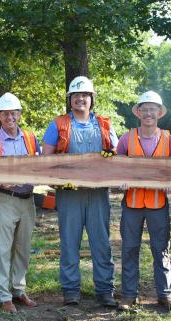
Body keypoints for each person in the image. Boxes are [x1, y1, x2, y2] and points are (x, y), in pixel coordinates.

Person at [42, 76, 118, 307]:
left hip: (98, 193)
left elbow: (116, 153)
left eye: (85, 95)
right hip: (69, 194)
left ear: (91, 98)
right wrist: (59, 178)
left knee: (101, 243)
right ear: (70, 100)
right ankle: (70, 290)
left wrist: (111, 155)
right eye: (76, 96)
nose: (80, 99)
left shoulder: (105, 124)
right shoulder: (58, 124)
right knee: (69, 242)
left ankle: (105, 290)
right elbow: (46, 158)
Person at [107, 91, 171, 311]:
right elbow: (116, 166)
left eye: (153, 109)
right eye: (144, 109)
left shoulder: (168, 139)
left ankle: (165, 295)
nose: (148, 113)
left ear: (159, 113)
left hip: (158, 204)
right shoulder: (126, 138)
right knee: (130, 248)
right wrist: (120, 182)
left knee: (161, 249)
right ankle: (129, 296)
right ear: (138, 113)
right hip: (132, 204)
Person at [0, 92, 41, 313]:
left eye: (13, 113)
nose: (10, 117)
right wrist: (0, 182)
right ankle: (4, 296)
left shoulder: (30, 139)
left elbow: (40, 165)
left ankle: (18, 289)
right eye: (5, 113)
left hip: (28, 200)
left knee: (23, 247)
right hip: (4, 200)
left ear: (20, 114)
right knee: (3, 248)